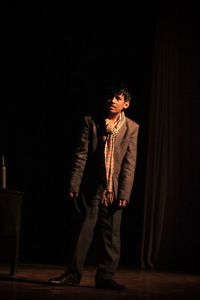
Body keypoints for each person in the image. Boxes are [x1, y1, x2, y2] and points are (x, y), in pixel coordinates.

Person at [49, 83, 139, 290]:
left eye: (118, 98)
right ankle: (73, 273)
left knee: (111, 234)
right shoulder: (91, 123)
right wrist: (75, 183)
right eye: (110, 97)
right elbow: (81, 156)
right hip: (92, 186)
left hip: (113, 188)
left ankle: (105, 276)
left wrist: (124, 191)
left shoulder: (132, 128)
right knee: (83, 229)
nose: (112, 101)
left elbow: (129, 163)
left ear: (126, 104)